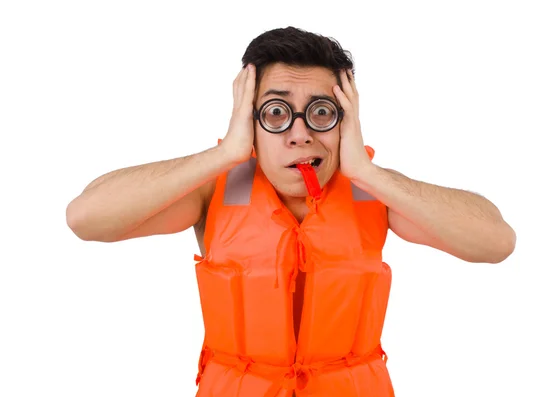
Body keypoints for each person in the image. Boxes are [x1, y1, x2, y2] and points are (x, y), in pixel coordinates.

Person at [66, 26, 516, 397]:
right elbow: (85, 218)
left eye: (322, 113)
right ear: (249, 117)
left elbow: (497, 242)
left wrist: (365, 170)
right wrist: (225, 153)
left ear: (347, 120)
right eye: (276, 113)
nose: (299, 134)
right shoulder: (220, 187)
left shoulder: (369, 191)